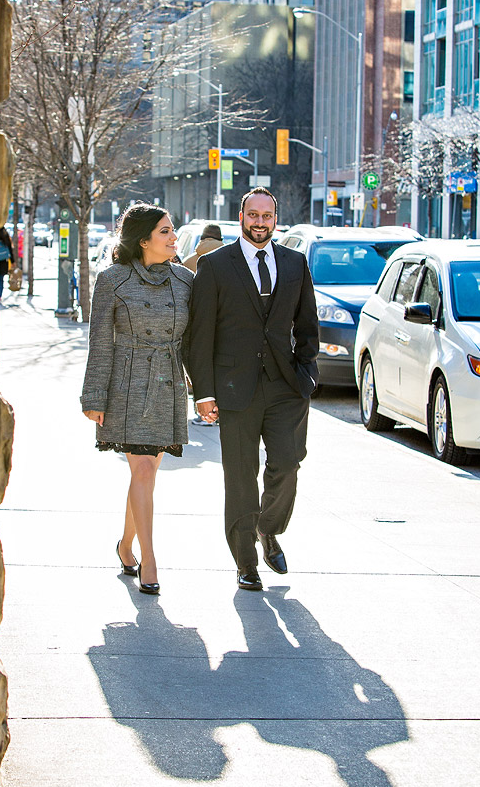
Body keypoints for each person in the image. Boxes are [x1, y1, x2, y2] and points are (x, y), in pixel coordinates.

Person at [188, 189, 319, 591]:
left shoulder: (295, 263)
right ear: (241, 216)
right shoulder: (214, 265)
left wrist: (307, 374)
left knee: (288, 462)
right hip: (233, 388)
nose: (260, 222)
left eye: (267, 216)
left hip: (285, 386)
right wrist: (203, 392)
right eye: (253, 215)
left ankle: (268, 527)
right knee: (240, 477)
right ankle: (246, 562)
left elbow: (307, 325)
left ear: (275, 219)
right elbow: (200, 334)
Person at [81, 204, 193, 595]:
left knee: (146, 473)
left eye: (172, 230)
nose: (173, 237)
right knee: (143, 470)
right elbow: (99, 342)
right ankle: (150, 559)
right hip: (126, 385)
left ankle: (125, 545)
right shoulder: (112, 280)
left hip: (167, 383)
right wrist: (94, 395)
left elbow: (196, 341)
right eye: (165, 231)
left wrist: (206, 390)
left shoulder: (186, 280)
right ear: (143, 240)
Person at [0, 226, 13, 298]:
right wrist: (13, 261)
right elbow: (10, 249)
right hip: (3, 261)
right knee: (0, 279)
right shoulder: (5, 236)